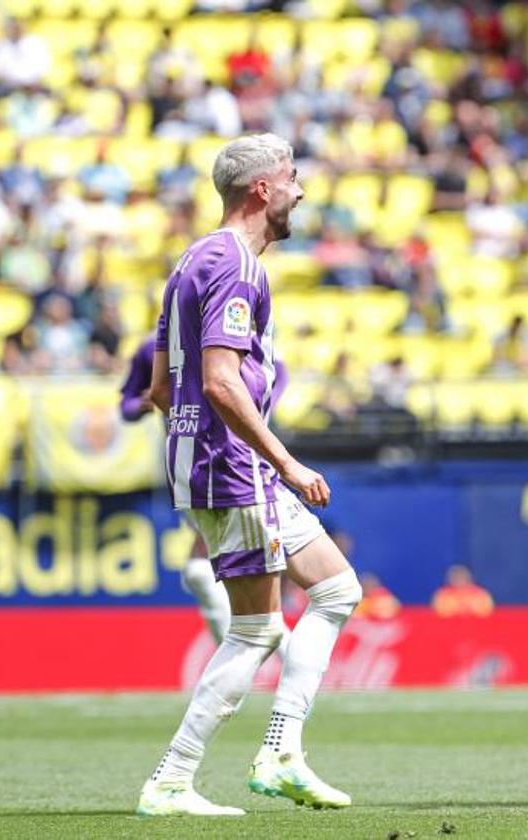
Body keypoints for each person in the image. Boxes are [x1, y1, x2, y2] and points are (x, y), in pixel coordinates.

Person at [137, 134, 361, 817]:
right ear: (262, 189)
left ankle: (283, 752)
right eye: (292, 177)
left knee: (335, 588)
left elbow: (157, 384)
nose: (301, 189)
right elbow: (220, 383)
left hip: (215, 460)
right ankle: (172, 779)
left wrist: (189, 447)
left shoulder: (193, 260)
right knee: (256, 630)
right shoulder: (236, 264)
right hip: (235, 466)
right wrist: (285, 462)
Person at [119, 337, 231, 643]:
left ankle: (242, 646)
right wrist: (143, 403)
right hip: (185, 460)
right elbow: (126, 406)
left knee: (216, 556)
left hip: (233, 451)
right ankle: (244, 647)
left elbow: (278, 373)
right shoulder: (150, 349)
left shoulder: (222, 337)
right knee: (214, 548)